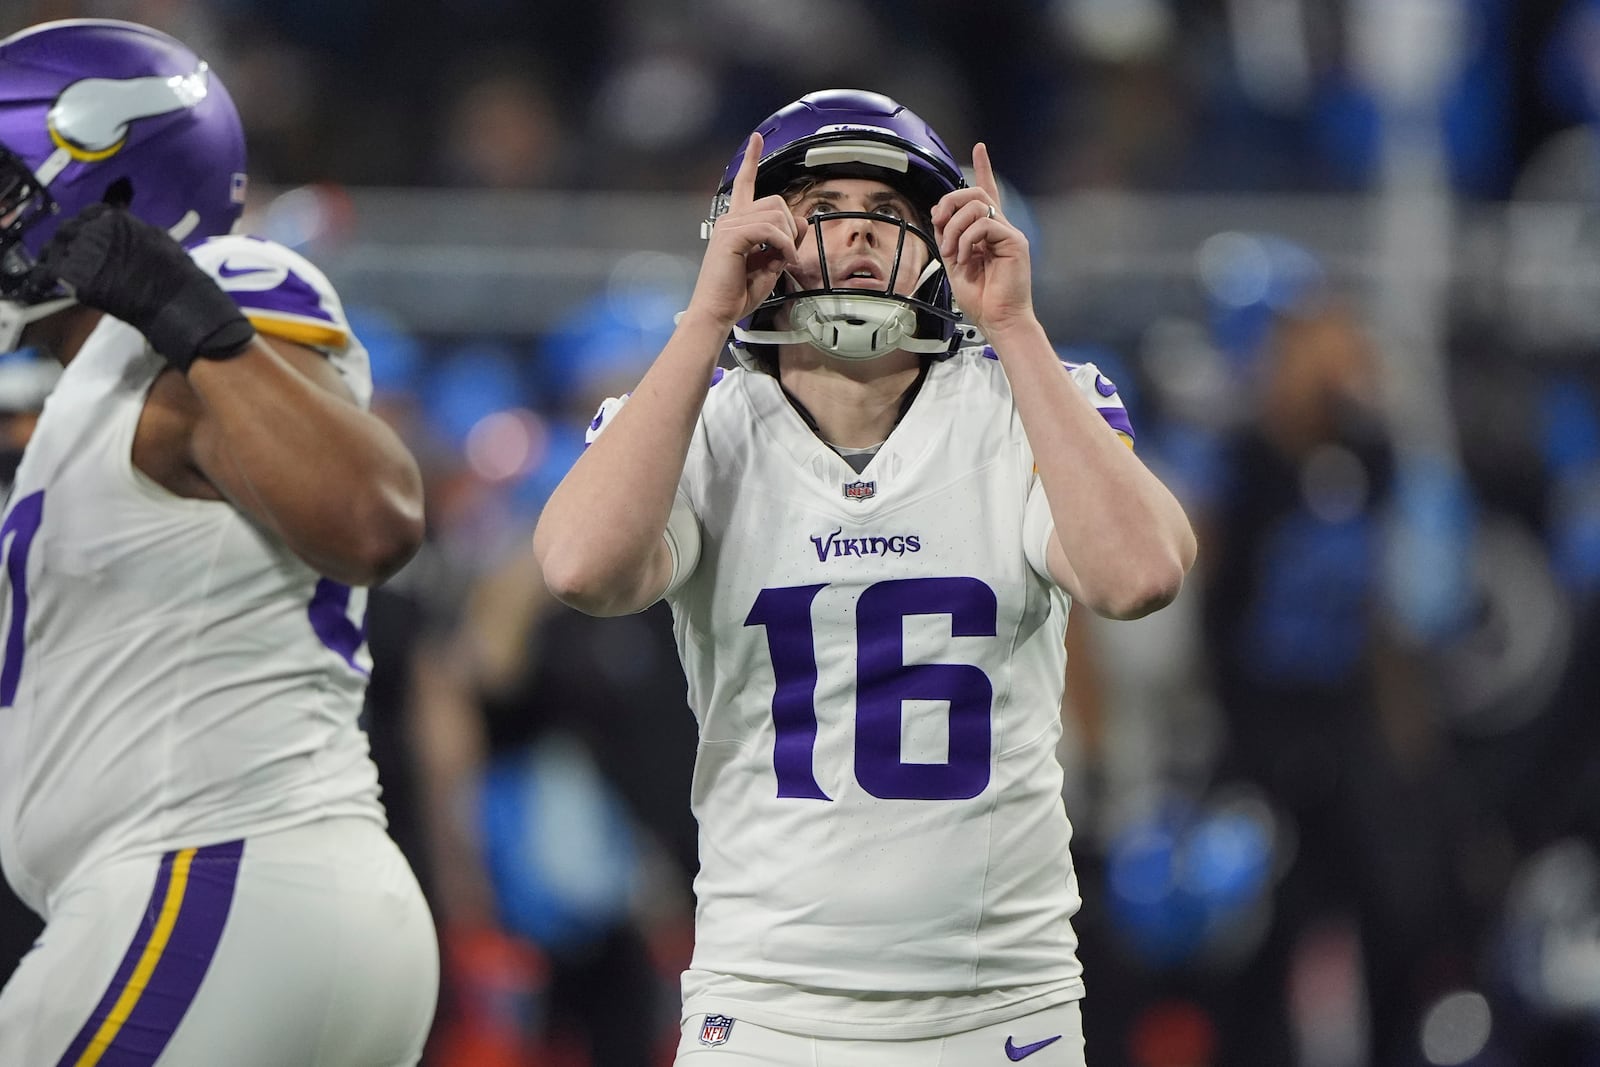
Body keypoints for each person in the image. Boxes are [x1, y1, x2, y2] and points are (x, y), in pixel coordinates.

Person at [533, 88, 1198, 1066]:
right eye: (819, 208)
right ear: (748, 234)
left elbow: (1138, 573)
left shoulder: (1017, 402)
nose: (854, 236)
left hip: (997, 1003)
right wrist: (701, 319)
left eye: (888, 213)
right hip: (764, 1002)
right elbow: (580, 566)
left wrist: (1016, 329)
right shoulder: (701, 421)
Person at [0, 19, 438, 1066]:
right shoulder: (79, 395)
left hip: (209, 873)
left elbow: (373, 516)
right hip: (237, 892)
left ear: (99, 178)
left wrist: (179, 306)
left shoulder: (222, 291)